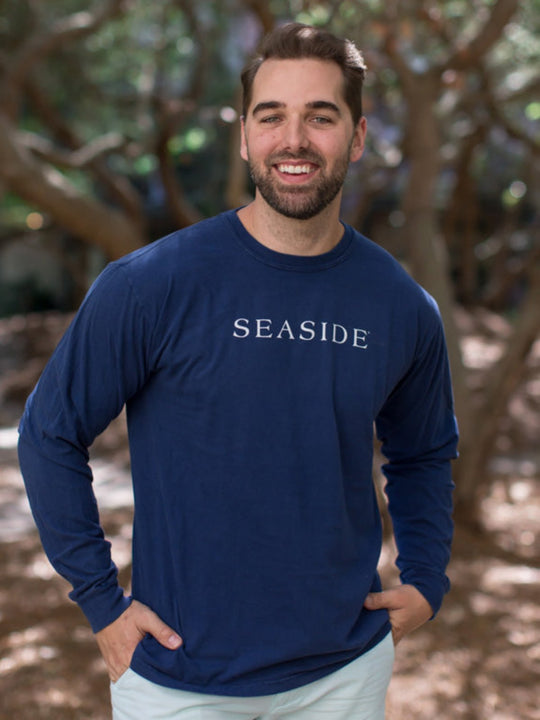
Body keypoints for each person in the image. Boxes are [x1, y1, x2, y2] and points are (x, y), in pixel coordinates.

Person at [18, 22, 458, 720]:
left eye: (321, 116)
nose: (294, 140)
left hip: (342, 674)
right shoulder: (151, 284)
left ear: (358, 135)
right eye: (271, 116)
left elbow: (424, 452)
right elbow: (49, 434)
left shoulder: (402, 306)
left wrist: (427, 578)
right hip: (175, 679)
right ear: (245, 136)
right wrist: (102, 602)